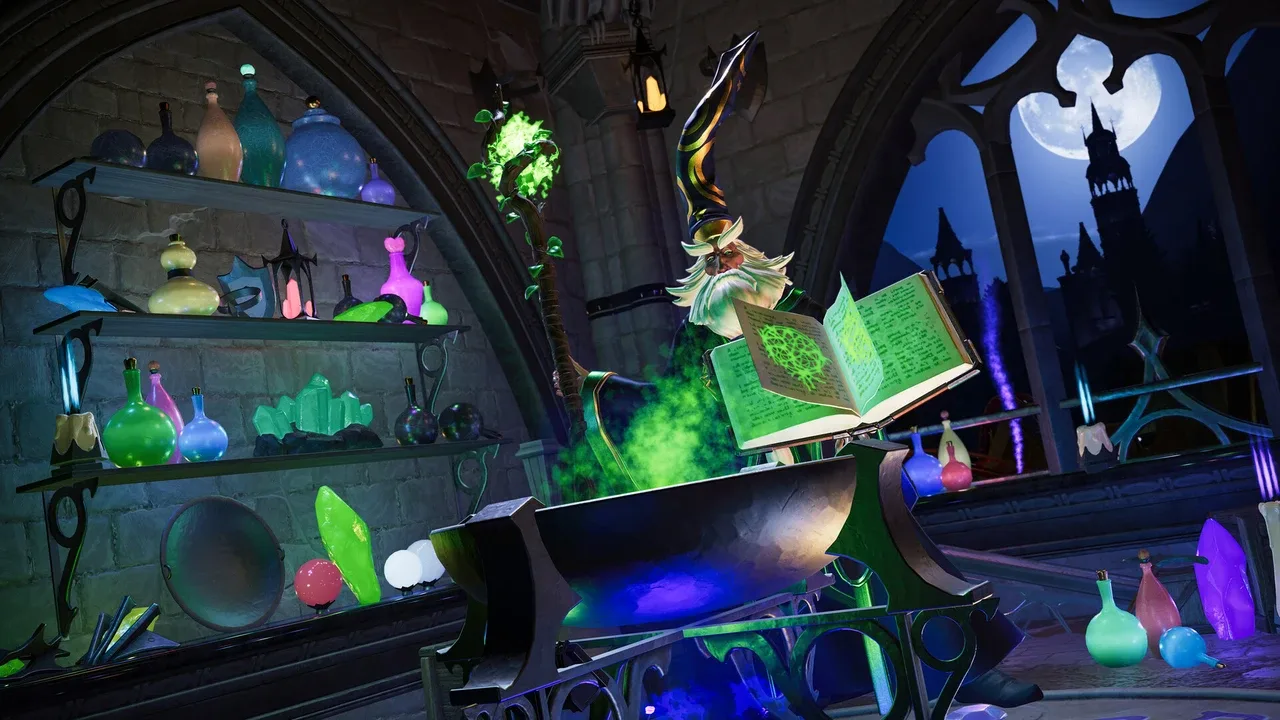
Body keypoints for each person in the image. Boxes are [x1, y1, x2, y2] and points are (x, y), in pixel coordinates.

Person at [555, 32, 1041, 710]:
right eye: (710, 260)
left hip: (832, 481)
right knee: (724, 595)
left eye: (730, 251)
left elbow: (854, 367)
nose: (723, 263)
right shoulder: (695, 344)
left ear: (753, 256)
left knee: (894, 540)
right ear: (697, 278)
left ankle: (964, 666)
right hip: (749, 505)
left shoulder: (800, 310)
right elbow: (669, 416)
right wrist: (596, 387)